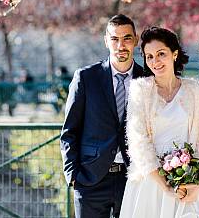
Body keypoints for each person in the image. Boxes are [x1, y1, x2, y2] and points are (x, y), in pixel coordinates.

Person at [120, 27, 199, 218]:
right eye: (149, 56)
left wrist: (198, 184)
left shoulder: (196, 91)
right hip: (151, 183)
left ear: (174, 54)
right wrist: (166, 186)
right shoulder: (140, 91)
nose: (155, 61)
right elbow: (138, 143)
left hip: (188, 183)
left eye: (161, 54)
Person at [60, 14, 144, 218]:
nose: (120, 45)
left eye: (126, 38)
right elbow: (69, 131)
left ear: (135, 40)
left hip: (134, 179)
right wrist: (72, 175)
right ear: (106, 41)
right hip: (91, 179)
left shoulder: (147, 78)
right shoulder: (86, 78)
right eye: (115, 39)